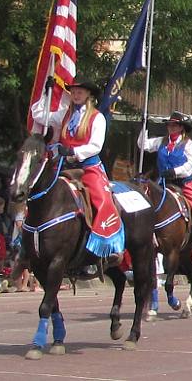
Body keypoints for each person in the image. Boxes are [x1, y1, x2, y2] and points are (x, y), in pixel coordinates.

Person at [31, 77, 124, 258]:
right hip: (63, 166)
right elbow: (39, 116)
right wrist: (44, 93)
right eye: (73, 91)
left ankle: (110, 244)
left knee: (102, 198)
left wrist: (73, 150)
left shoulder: (97, 118)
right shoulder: (64, 114)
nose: (75, 94)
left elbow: (96, 146)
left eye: (79, 91)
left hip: (88, 167)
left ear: (89, 94)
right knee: (38, 191)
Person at [139, 111, 192, 255]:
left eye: (175, 125)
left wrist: (175, 171)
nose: (171, 127)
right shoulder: (161, 141)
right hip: (162, 183)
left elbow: (191, 166)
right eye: (169, 125)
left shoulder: (190, 145)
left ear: (181, 127)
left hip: (184, 183)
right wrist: (144, 126)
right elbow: (143, 145)